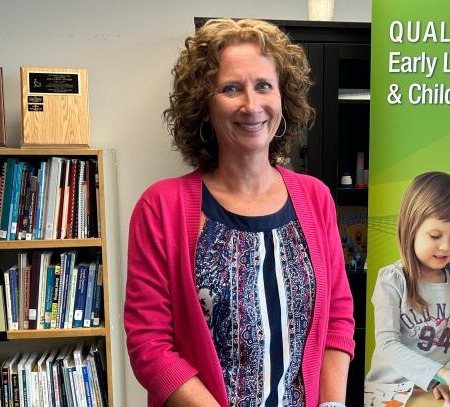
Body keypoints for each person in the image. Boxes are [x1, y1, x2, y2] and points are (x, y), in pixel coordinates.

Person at [124, 18, 355, 407]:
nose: (252, 105)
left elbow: (337, 317)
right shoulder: (160, 207)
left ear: (284, 97)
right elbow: (150, 345)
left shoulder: (315, 198)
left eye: (264, 85)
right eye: (231, 88)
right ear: (204, 105)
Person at [365, 172, 450, 405]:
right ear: (411, 229)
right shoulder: (392, 280)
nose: (445, 246)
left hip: (440, 388)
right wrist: (439, 374)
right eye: (435, 235)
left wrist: (449, 378)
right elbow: (388, 345)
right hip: (390, 390)